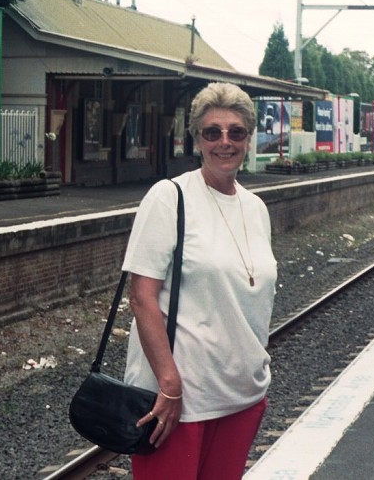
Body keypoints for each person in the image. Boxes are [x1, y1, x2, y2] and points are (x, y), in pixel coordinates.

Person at [122, 82, 277, 479]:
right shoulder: (169, 198)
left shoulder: (256, 209)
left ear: (248, 138)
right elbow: (141, 297)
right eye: (212, 132)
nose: (225, 142)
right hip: (178, 402)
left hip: (242, 396)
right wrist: (169, 383)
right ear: (196, 139)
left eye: (236, 132)